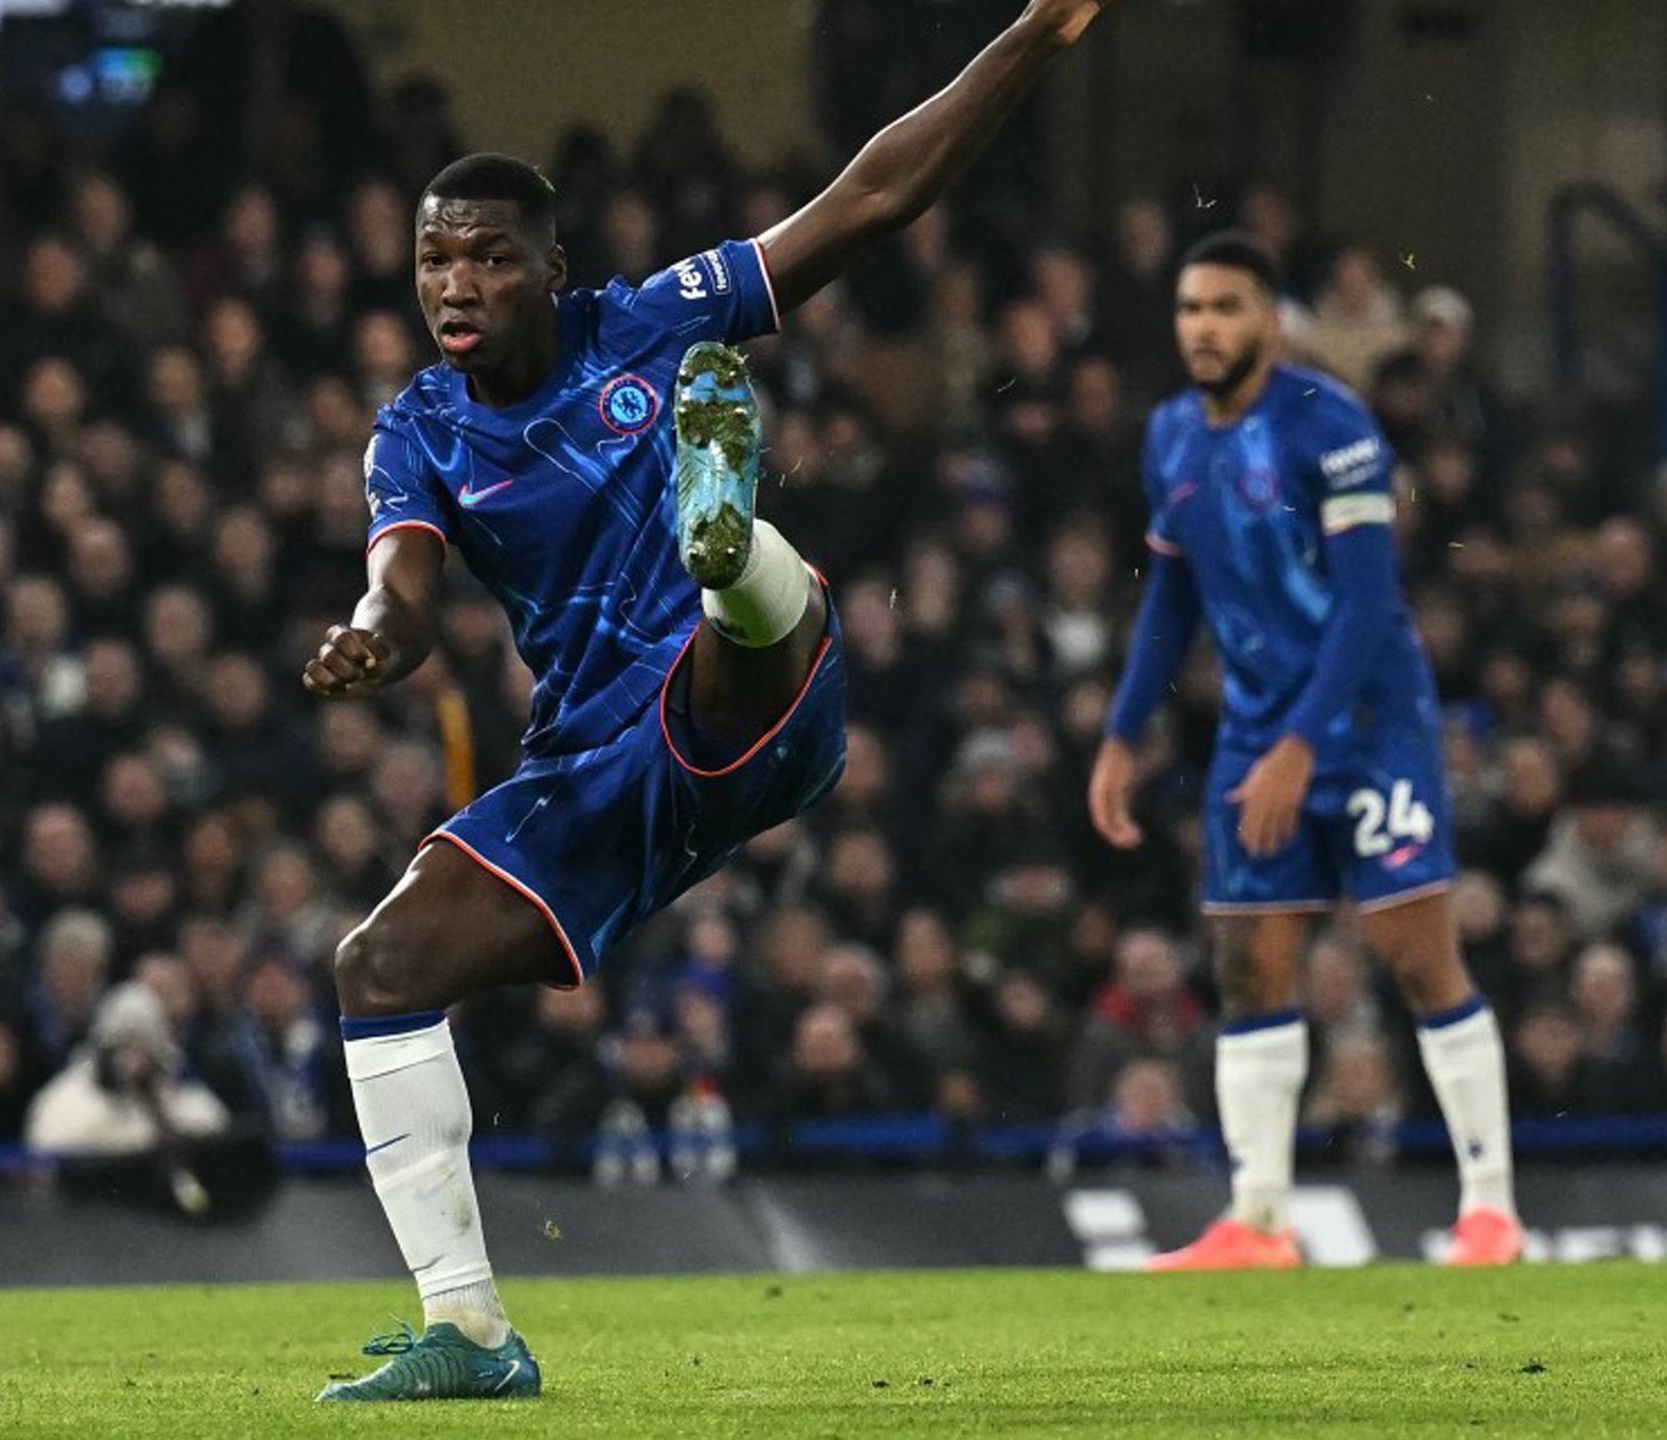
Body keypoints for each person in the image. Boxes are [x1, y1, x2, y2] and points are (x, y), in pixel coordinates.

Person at [299, 0, 1127, 1402]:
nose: (457, 283)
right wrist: (376, 632)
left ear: (555, 272)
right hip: (595, 767)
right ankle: (473, 1334)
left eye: (492, 258)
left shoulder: (650, 318)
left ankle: (732, 542)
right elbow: (403, 581)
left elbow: (874, 196)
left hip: (754, 700)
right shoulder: (419, 430)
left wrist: (1038, 34)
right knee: (375, 971)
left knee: (722, 647)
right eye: (437, 258)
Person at [1088, 231, 1522, 1271]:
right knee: (1249, 960)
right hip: (1256, 732)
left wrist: (1298, 743)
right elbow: (1171, 600)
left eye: (1226, 308)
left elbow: (1370, 601)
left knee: (1417, 953)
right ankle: (1261, 1219)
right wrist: (1120, 732)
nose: (1204, 327)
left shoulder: (1330, 424)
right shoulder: (1169, 438)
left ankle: (1490, 1211)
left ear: (1271, 322)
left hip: (1370, 727)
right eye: (1191, 309)